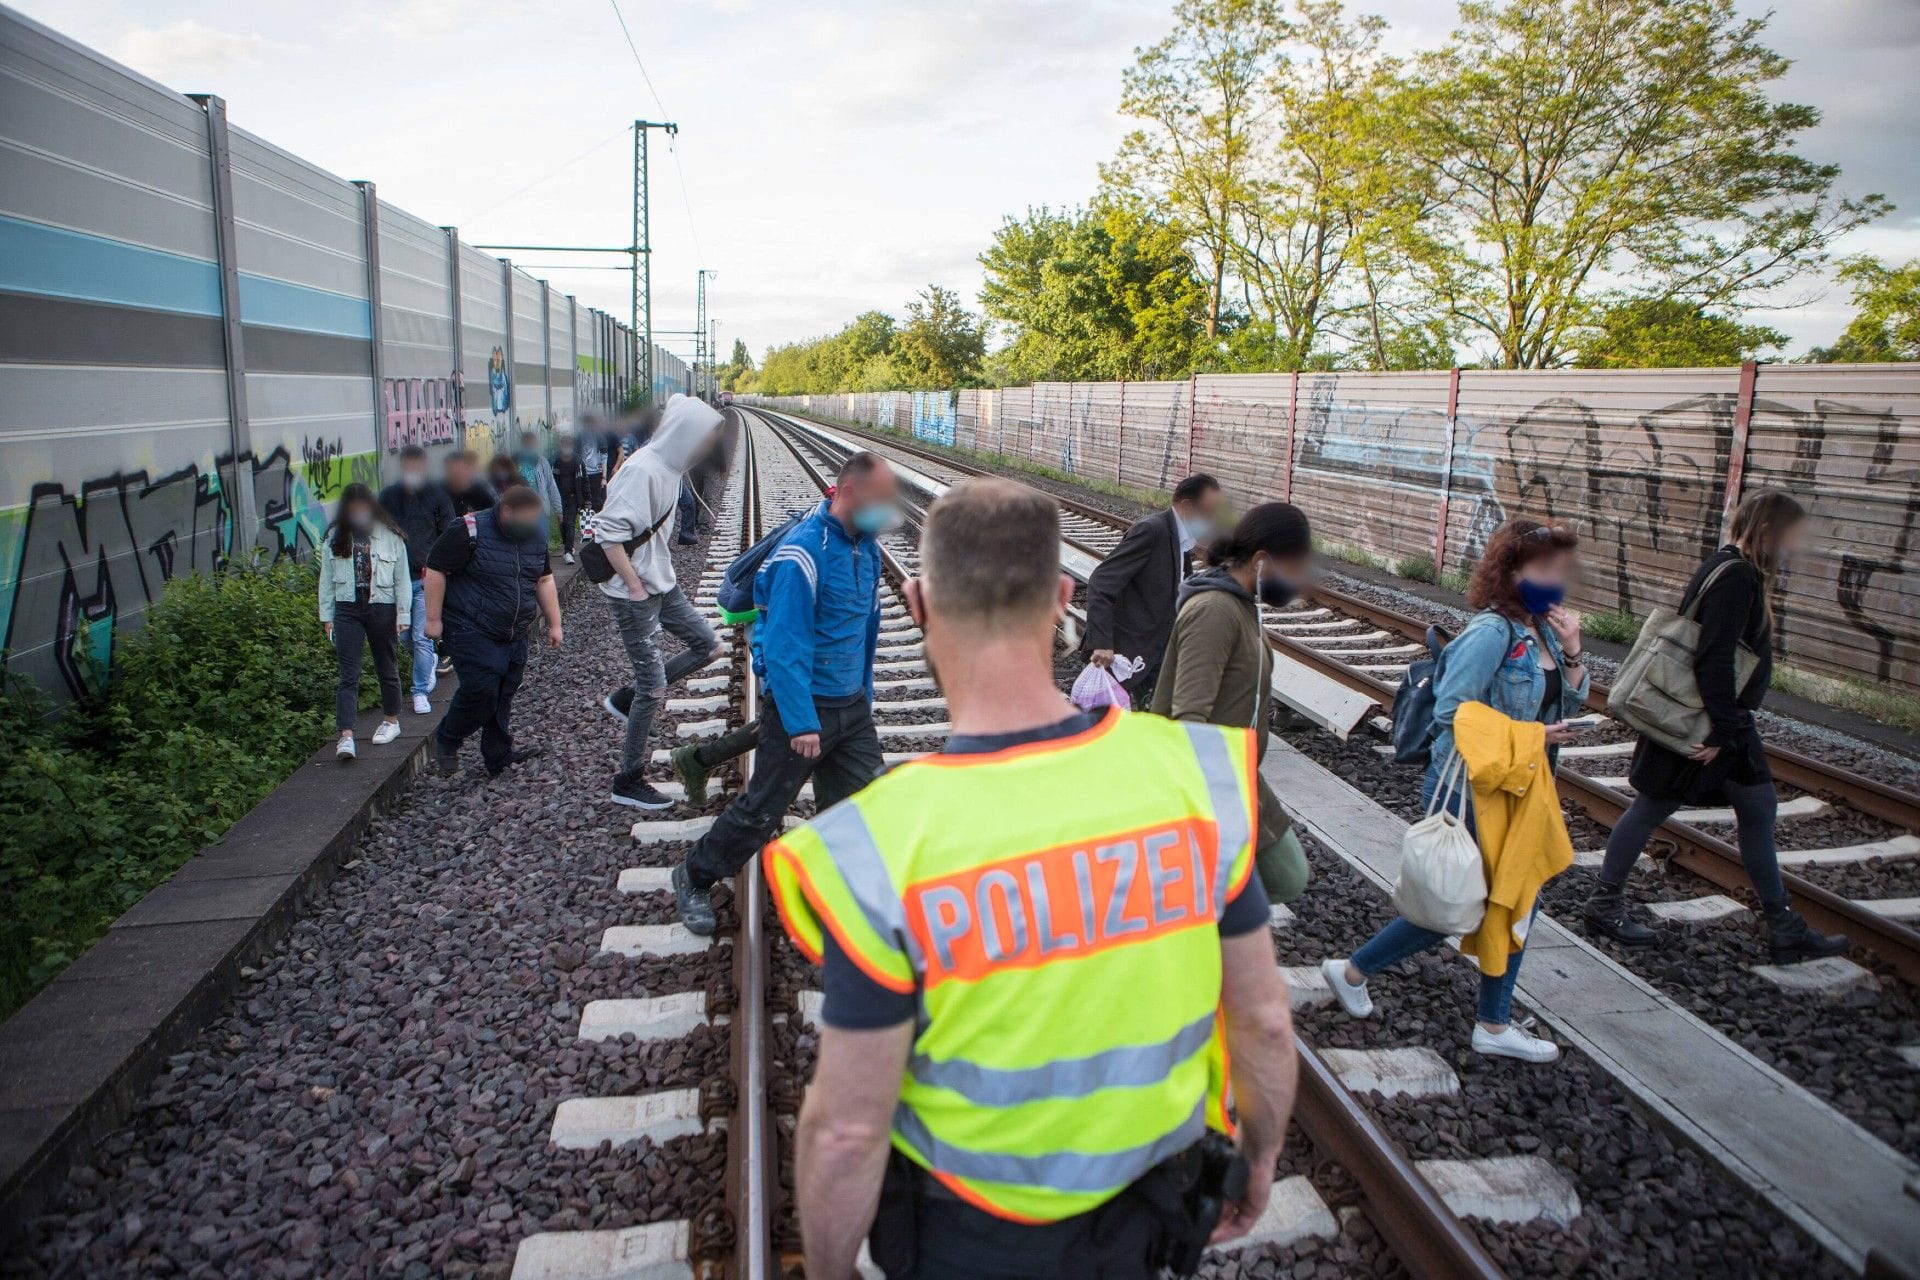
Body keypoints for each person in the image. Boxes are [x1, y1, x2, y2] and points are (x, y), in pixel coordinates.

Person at [768, 478, 1298, 1280]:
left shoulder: (880, 846)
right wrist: (1259, 1161)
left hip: (969, 1236)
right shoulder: (1192, 779)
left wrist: (834, 1269)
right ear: (1062, 596)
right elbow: (1261, 1020)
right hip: (1149, 1213)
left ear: (916, 601)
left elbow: (845, 1132)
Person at [1320, 519, 1589, 1064]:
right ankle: (1363, 974)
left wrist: (1576, 653)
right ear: (1511, 572)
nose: (1556, 579)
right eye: (1545, 569)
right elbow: (1451, 711)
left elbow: (1565, 706)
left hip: (1519, 789)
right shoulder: (1491, 633)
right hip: (1472, 791)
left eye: (1561, 570)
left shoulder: (1543, 631)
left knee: (1509, 903)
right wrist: (1532, 735)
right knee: (1461, 905)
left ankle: (1485, 1019)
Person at [1584, 492, 1847, 963]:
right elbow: (1713, 656)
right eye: (1791, 534)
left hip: (1714, 718)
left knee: (1757, 805)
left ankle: (1784, 926)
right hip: (1704, 720)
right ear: (1769, 531)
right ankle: (1603, 903)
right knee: (1653, 806)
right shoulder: (1739, 577)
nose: (1796, 546)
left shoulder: (1724, 564)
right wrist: (1721, 732)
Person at [671, 453, 899, 934]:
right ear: (850, 494)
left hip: (851, 706)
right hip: (805, 708)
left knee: (863, 804)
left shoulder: (869, 548)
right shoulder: (803, 553)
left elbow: (868, 628)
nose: (889, 510)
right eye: (882, 500)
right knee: (762, 811)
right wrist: (801, 721)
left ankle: (838, 894)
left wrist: (864, 692)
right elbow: (784, 645)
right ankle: (693, 874)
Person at [1152, 503, 1313, 905]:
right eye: (1292, 569)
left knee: (1280, 878)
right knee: (1283, 875)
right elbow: (1187, 716)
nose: (1297, 582)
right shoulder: (1214, 612)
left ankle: (1212, 930)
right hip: (1211, 778)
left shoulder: (1241, 607)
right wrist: (1206, 806)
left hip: (1235, 772)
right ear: (1260, 560)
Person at [596, 395, 728, 809]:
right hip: (634, 592)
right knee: (653, 690)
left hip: (661, 584)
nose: (708, 447)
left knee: (709, 646)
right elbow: (608, 534)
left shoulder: (671, 468)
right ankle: (628, 780)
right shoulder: (644, 470)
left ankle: (626, 698)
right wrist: (634, 586)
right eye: (705, 438)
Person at [422, 484, 563, 778]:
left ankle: (498, 756)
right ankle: (448, 738)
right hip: (469, 625)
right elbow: (435, 569)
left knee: (504, 691)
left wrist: (555, 622)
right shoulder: (467, 529)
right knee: (481, 689)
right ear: (507, 511)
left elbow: (544, 579)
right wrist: (433, 619)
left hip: (513, 630)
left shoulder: (534, 536)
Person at [1084, 474, 1224, 703]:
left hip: (1155, 651)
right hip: (1128, 654)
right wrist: (1101, 642)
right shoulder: (1152, 530)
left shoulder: (1180, 541)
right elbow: (1101, 581)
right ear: (1187, 506)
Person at [318, 484, 410, 761]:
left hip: (382, 607)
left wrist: (403, 614)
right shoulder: (335, 537)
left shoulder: (391, 536)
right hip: (347, 609)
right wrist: (327, 616)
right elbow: (325, 581)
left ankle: (391, 721)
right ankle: (346, 735)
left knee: (386, 665)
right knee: (349, 674)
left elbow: (402, 579)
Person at [379, 446, 455, 714]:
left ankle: (420, 690)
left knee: (422, 637)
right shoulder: (389, 497)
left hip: (426, 577)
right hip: (395, 580)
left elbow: (448, 532)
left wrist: (442, 568)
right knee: (404, 638)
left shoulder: (437, 495)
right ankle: (431, 659)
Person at [550, 431, 587, 565]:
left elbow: (584, 481)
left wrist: (586, 500)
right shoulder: (556, 461)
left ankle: (568, 552)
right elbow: (552, 480)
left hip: (573, 498)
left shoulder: (578, 461)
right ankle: (568, 545)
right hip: (559, 498)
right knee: (562, 524)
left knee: (570, 524)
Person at [515, 429, 563, 521]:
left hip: (540, 510)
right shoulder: (515, 462)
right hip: (521, 510)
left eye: (532, 444)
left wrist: (558, 510)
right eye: (527, 444)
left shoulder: (542, 462)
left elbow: (551, 486)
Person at [442, 450, 493, 518]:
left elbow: (491, 516)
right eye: (453, 471)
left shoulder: (480, 493)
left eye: (459, 470)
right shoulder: (440, 495)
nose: (457, 475)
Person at [577, 413, 612, 512]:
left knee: (597, 501)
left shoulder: (599, 437)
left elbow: (604, 457)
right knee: (586, 502)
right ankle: (587, 521)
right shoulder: (579, 437)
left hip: (596, 473)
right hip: (583, 473)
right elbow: (576, 455)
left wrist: (604, 477)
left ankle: (596, 521)